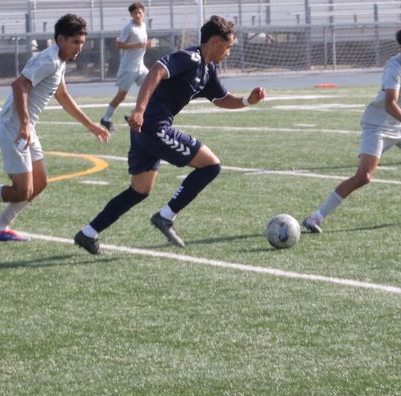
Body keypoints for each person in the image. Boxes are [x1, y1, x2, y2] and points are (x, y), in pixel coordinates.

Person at [73, 15, 266, 255]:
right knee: (211, 166)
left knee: (139, 190)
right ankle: (165, 216)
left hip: (146, 130)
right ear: (215, 42)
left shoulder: (208, 70)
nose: (228, 52)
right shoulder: (190, 58)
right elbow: (156, 71)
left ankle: (88, 233)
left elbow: (221, 99)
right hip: (154, 127)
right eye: (228, 47)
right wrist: (140, 110)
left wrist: (248, 100)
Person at [0, 14, 110, 242]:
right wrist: (25, 124)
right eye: (76, 42)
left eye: (83, 43)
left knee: (40, 182)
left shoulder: (59, 61)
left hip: (27, 128)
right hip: (14, 128)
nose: (80, 48)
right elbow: (19, 85)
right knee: (22, 190)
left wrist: (90, 125)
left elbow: (62, 95)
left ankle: (0, 228)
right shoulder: (49, 60)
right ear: (61, 39)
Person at [301, 23, 401, 234]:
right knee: (364, 176)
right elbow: (391, 104)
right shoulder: (394, 67)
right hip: (378, 125)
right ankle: (315, 217)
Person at [98, 2, 154, 131]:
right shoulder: (129, 28)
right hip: (128, 67)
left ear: (143, 13)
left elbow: (142, 44)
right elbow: (119, 45)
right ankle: (105, 119)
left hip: (140, 67)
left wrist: (145, 44)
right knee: (121, 96)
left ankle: (136, 114)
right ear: (131, 15)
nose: (138, 15)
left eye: (140, 12)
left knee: (151, 89)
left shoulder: (143, 26)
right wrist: (140, 44)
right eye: (135, 13)